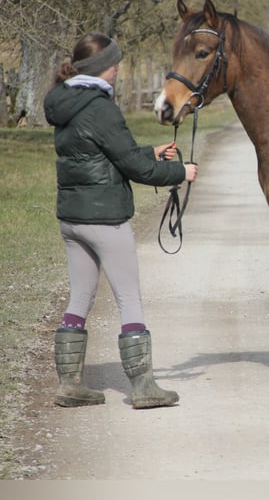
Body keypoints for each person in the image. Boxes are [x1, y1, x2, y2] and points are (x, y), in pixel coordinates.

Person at [44, 32, 198, 409]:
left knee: (80, 295)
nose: (118, 69)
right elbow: (133, 166)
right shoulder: (101, 107)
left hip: (73, 219)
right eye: (114, 63)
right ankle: (144, 387)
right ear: (101, 69)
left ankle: (69, 384)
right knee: (129, 298)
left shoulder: (64, 102)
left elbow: (101, 153)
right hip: (106, 219)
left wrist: (151, 150)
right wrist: (181, 171)